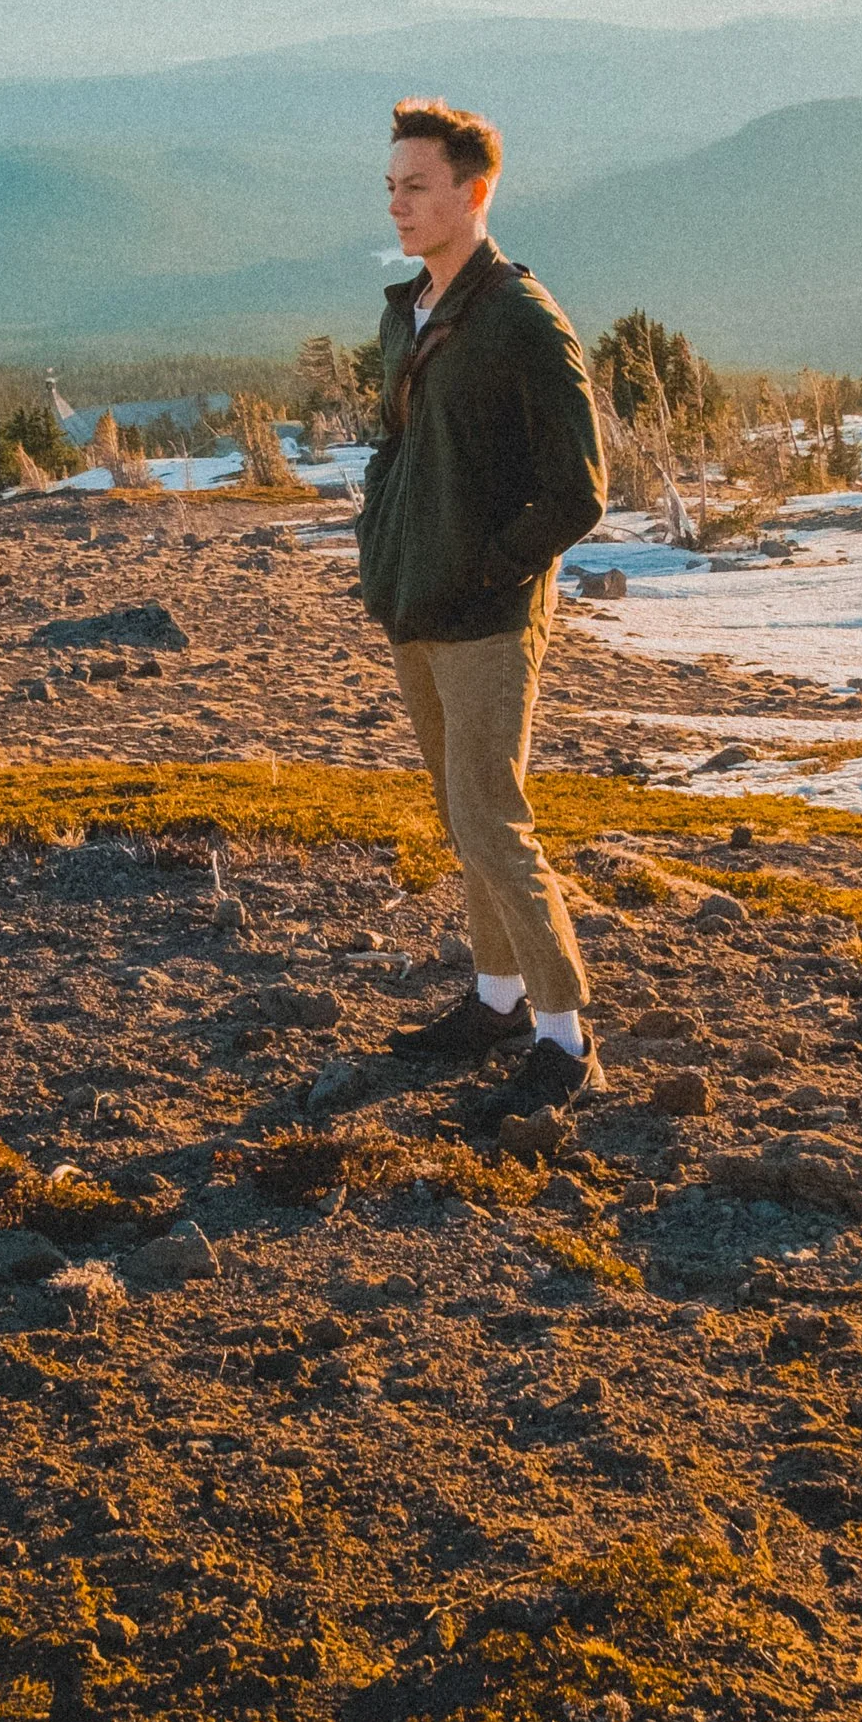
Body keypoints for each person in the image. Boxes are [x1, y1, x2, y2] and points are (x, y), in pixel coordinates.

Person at [358, 99, 609, 1110]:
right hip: (415, 605)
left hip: (486, 620)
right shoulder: (409, 308)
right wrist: (386, 541)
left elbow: (579, 489)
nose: (398, 204)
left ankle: (565, 1033)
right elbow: (400, 443)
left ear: (472, 194)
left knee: (493, 819)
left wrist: (489, 574)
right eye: (390, 187)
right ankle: (496, 997)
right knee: (462, 820)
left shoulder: (521, 320)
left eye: (416, 186)